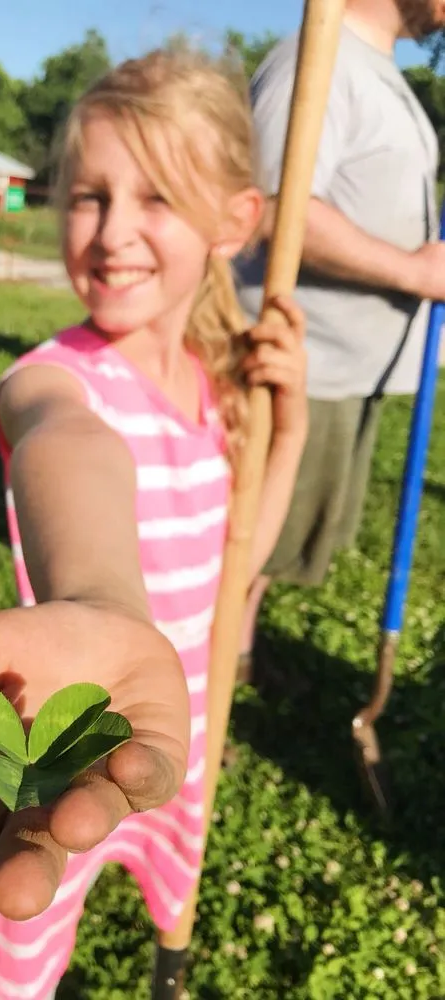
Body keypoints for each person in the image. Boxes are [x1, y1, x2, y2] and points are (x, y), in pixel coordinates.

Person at [0, 46, 307, 1000]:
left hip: (168, 717)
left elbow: (240, 563)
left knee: (129, 833)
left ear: (235, 221)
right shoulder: (55, 380)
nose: (111, 232)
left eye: (156, 198)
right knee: (21, 906)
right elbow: (67, 445)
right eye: (88, 196)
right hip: (61, 722)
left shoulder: (219, 385)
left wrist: (292, 430)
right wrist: (103, 595)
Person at [235, 0, 445, 680]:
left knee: (276, 544)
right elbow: (271, 208)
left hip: (344, 372)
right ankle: (204, 675)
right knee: (247, 541)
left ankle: (233, 654)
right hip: (304, 365)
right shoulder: (315, 58)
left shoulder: (374, 70)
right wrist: (413, 270)